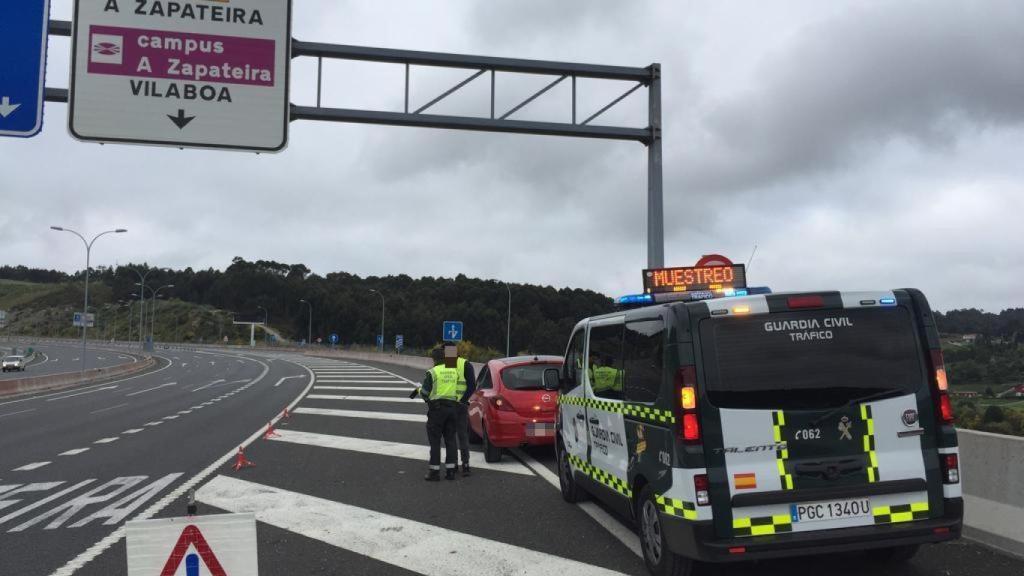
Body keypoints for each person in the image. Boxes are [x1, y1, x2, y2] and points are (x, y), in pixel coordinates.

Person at [419, 347, 460, 481]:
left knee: (435, 441)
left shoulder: (433, 372)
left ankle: (434, 472)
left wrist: (420, 391)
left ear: (434, 359)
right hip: (453, 409)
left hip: (437, 410)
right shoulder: (454, 371)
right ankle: (450, 471)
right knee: (450, 440)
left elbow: (425, 394)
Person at [453, 346, 476, 477]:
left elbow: (472, 385)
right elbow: (472, 385)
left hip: (453, 405)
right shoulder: (466, 364)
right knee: (461, 435)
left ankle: (455, 464)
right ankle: (465, 465)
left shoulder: (445, 365)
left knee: (452, 436)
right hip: (459, 405)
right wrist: (463, 400)